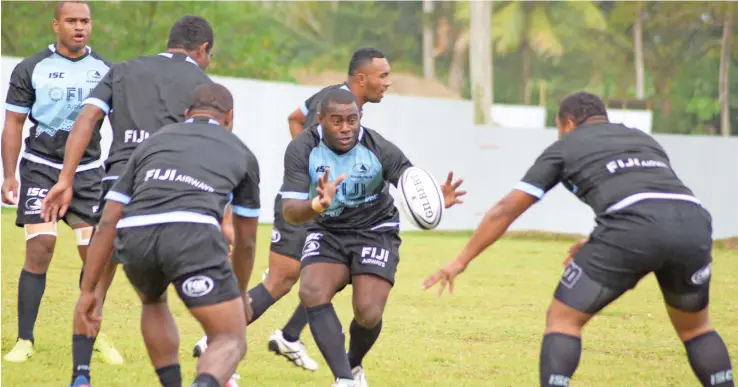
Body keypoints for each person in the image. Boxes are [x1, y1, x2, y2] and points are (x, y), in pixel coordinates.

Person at [423, 92, 734, 387]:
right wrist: (596, 242)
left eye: (559, 128)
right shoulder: (642, 139)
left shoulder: (567, 145)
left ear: (568, 122)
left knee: (562, 321)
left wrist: (459, 261)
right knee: (696, 329)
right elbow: (650, 196)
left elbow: (507, 209)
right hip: (693, 224)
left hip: (631, 230)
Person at [38, 14, 222, 387]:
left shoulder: (122, 70)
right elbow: (215, 147)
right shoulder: (205, 86)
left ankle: (81, 376)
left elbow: (86, 120)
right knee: (155, 298)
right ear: (203, 50)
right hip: (172, 193)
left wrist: (65, 179)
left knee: (93, 288)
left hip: (116, 191)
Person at [192, 46, 393, 372]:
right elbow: (301, 126)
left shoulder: (333, 98)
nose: (387, 82)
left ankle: (286, 335)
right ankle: (221, 337)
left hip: (323, 208)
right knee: (285, 279)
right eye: (382, 75)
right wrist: (311, 179)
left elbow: (294, 117)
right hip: (308, 208)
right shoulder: (336, 102)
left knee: (318, 276)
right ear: (361, 77)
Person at [76, 83, 260, 387]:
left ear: (186, 114)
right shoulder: (241, 151)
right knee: (231, 336)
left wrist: (89, 291)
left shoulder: (152, 143)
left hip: (135, 234)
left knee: (153, 302)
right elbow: (247, 242)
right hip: (191, 233)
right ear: (229, 118)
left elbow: (109, 219)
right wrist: (239, 294)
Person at [282, 88, 465, 387]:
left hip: (374, 229)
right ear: (320, 120)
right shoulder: (302, 149)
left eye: (351, 121)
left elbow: (409, 184)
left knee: (367, 313)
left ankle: (353, 365)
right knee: (312, 292)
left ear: (360, 118)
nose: (345, 129)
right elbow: (290, 211)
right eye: (336, 121)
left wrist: (433, 200)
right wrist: (317, 205)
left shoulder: (379, 148)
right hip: (327, 229)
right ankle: (344, 380)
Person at [1, 0, 122, 365]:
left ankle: (93, 331)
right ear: (56, 25)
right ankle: (24, 339)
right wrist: (9, 174)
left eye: (85, 20)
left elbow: (121, 127)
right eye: (71, 20)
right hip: (40, 167)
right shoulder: (31, 68)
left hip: (88, 172)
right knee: (42, 247)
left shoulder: (106, 70)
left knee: (96, 256)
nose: (79, 27)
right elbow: (14, 125)